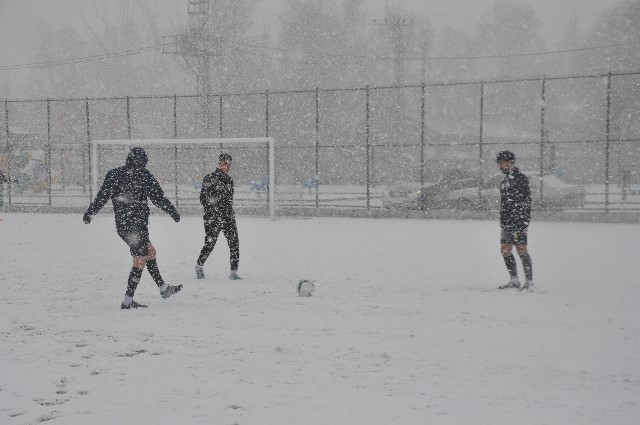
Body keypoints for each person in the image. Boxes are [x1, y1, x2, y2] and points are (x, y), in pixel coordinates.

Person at [83, 147, 182, 309]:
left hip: (123, 225)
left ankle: (164, 289)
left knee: (150, 252)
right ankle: (127, 301)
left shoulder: (114, 174)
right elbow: (158, 197)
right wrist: (172, 211)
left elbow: (102, 195)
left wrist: (90, 214)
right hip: (137, 224)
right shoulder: (144, 175)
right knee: (140, 258)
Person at [195, 152, 241, 280]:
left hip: (228, 217)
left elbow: (229, 200)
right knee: (210, 244)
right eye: (225, 163)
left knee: (234, 243)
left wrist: (228, 213)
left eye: (229, 165)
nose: (227, 167)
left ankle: (233, 272)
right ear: (219, 163)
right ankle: (199, 266)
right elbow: (203, 198)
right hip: (213, 218)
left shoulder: (230, 181)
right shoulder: (209, 178)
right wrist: (214, 209)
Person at [496, 150, 534, 291]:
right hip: (507, 223)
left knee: (521, 249)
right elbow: (504, 204)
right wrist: (503, 220)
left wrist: (523, 222)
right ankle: (514, 279)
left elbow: (526, 202)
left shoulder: (521, 179)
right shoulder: (505, 181)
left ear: (511, 163)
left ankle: (529, 282)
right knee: (505, 250)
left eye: (502, 163)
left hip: (519, 222)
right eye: (499, 163)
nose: (500, 166)